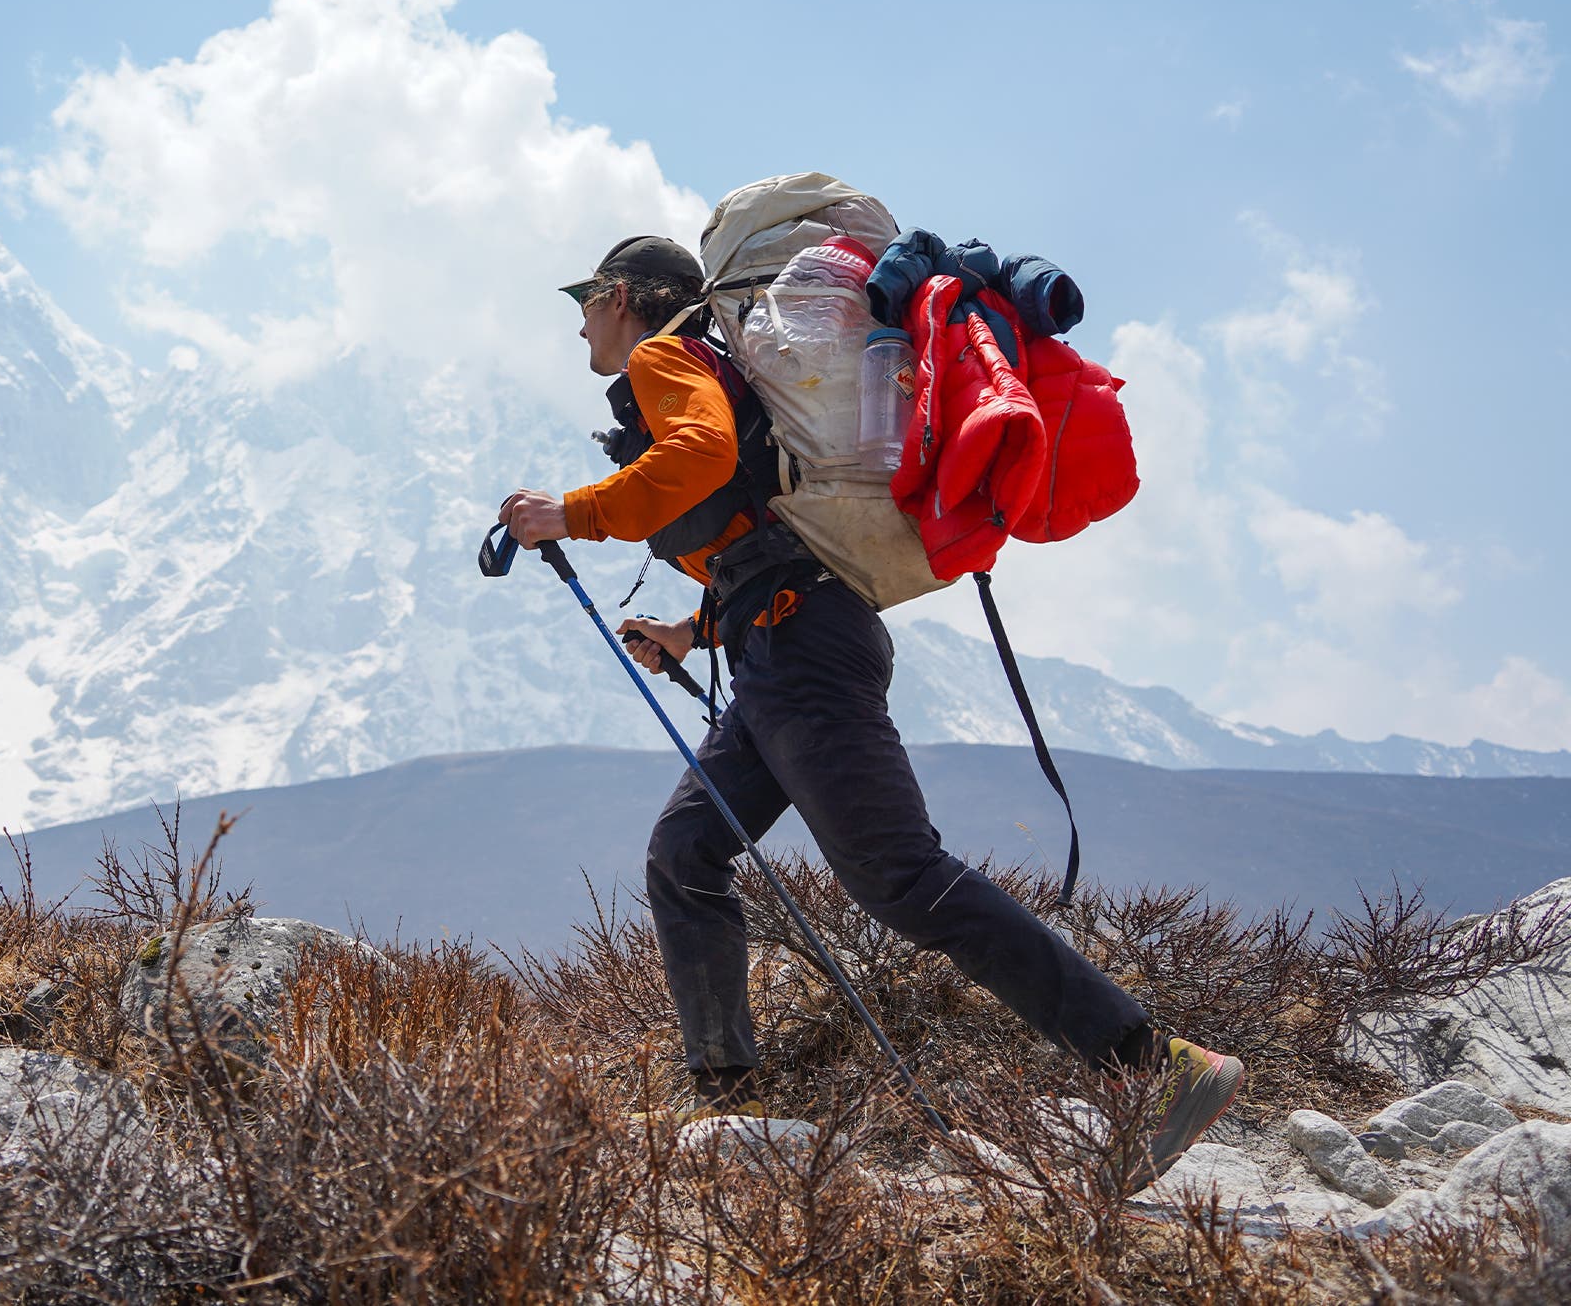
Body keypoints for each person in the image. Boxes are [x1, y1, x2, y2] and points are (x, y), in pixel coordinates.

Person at [497, 234, 1243, 1181]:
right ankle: (730, 1105)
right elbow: (764, 523)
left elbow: (700, 454)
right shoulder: (727, 368)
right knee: (686, 853)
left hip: (801, 645)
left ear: (622, 295)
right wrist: (696, 629)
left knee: (898, 876)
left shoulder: (662, 355)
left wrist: (574, 512)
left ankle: (1153, 1066)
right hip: (779, 637)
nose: (577, 322)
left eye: (584, 299)